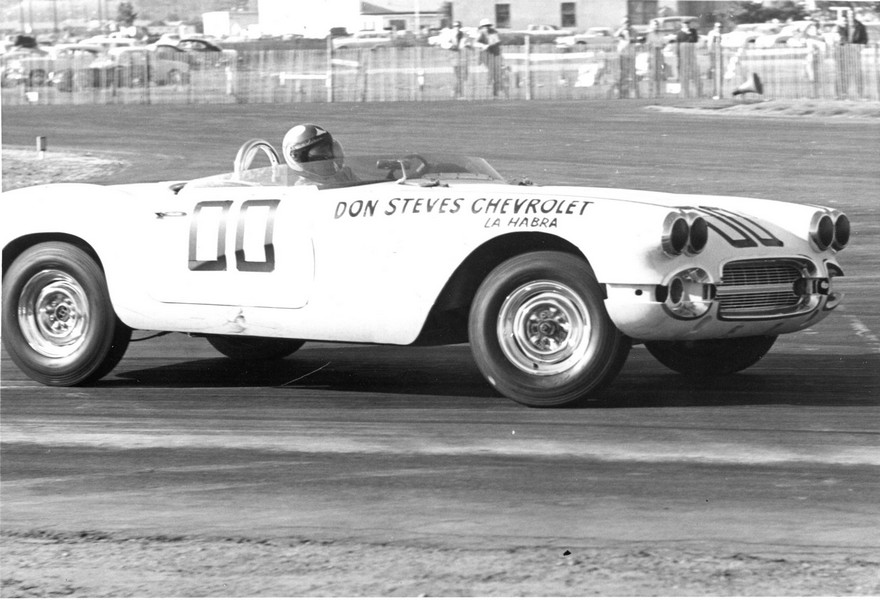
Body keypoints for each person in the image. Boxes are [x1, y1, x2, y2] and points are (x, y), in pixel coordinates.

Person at [281, 123, 355, 184]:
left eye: (330, 149)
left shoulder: (344, 174)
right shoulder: (303, 190)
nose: (329, 156)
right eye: (321, 152)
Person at [475, 18, 503, 97]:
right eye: (484, 26)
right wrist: (483, 45)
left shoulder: (493, 32)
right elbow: (475, 43)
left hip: (494, 54)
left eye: (487, 26)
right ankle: (491, 86)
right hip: (485, 55)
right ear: (481, 27)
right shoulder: (480, 33)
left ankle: (495, 90)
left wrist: (490, 45)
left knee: (496, 71)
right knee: (492, 70)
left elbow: (497, 41)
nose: (486, 28)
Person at [675, 19, 701, 97]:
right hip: (683, 56)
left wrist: (689, 34)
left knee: (694, 72)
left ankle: (698, 91)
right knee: (684, 73)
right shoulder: (679, 33)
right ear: (682, 24)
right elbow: (678, 44)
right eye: (684, 23)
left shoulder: (693, 31)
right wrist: (678, 55)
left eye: (687, 23)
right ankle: (684, 92)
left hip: (691, 55)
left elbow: (695, 40)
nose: (686, 25)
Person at [446, 21, 470, 98]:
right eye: (455, 26)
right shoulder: (450, 35)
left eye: (458, 26)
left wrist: (468, 45)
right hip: (455, 58)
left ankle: (455, 92)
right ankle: (459, 93)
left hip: (463, 58)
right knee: (458, 77)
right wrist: (451, 46)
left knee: (462, 77)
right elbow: (444, 43)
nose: (457, 27)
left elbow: (467, 44)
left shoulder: (464, 35)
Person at [614, 16, 637, 98]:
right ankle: (622, 93)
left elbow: (631, 40)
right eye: (624, 23)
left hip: (630, 55)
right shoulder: (621, 31)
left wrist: (626, 34)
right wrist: (621, 30)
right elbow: (615, 36)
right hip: (622, 55)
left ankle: (632, 93)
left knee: (631, 74)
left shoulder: (632, 31)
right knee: (622, 74)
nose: (626, 24)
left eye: (627, 22)